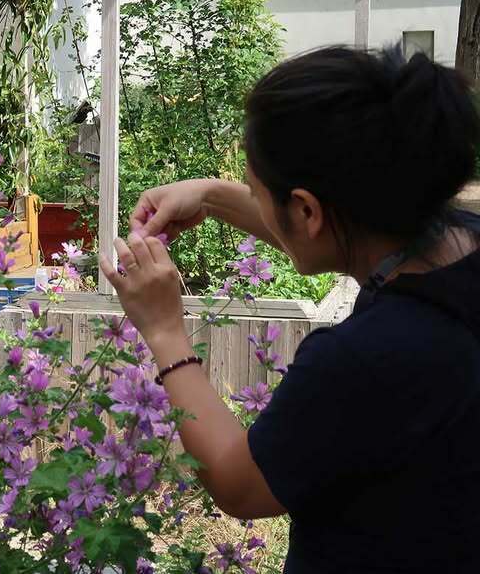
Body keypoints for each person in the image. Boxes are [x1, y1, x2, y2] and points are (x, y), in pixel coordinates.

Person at [100, 46, 480, 573]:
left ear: (306, 209)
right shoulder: (457, 247)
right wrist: (211, 196)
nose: (255, 202)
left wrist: (165, 330)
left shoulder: (366, 359)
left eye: (257, 193)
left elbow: (240, 482)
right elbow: (341, 233)